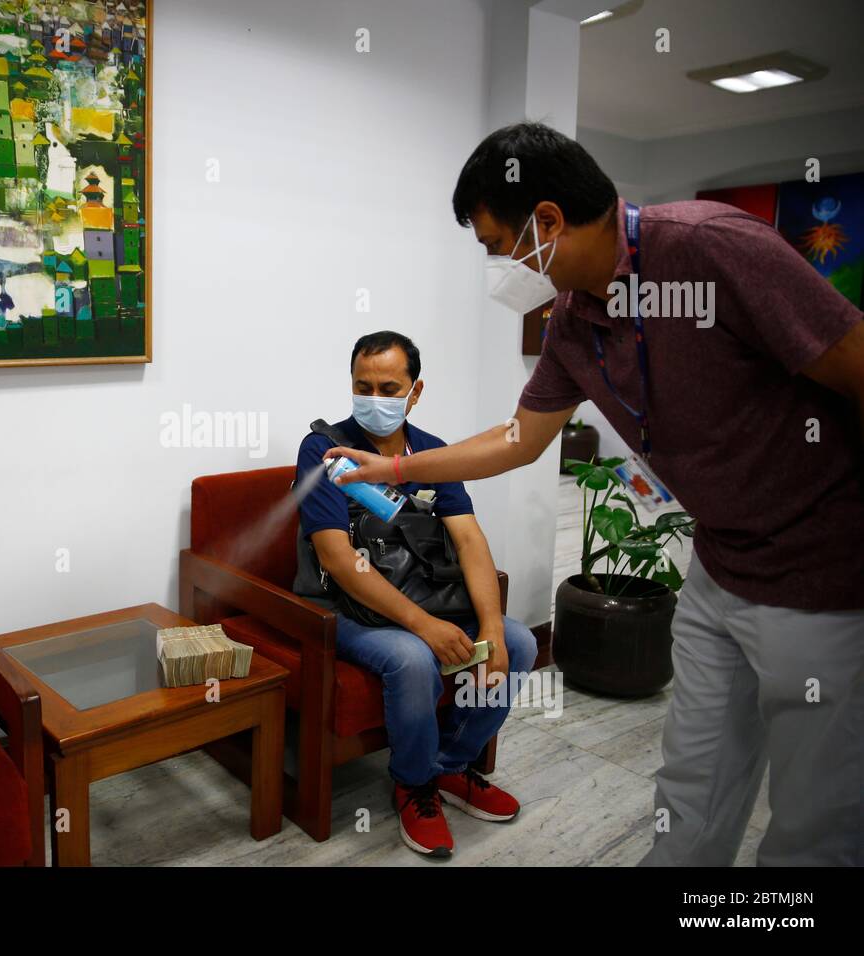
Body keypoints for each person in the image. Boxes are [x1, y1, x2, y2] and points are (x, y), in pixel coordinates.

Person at [326, 123, 864, 866]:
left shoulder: (709, 248)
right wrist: (391, 470)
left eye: (497, 244)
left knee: (816, 813)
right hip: (718, 562)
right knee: (692, 779)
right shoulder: (574, 322)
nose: (499, 265)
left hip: (820, 572)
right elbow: (519, 438)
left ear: (547, 222)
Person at [294, 330, 538, 858]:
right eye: (363, 386)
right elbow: (337, 557)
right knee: (411, 659)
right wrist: (423, 626)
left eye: (389, 387)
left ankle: (448, 768)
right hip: (346, 609)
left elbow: (469, 539)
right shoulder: (324, 449)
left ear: (415, 390)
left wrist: (492, 627)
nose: (374, 399)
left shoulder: (432, 454)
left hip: (424, 596)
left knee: (517, 644)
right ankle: (413, 784)